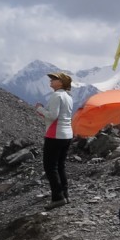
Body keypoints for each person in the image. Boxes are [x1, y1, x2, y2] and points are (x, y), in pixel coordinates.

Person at [37, 71, 74, 210]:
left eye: (54, 79)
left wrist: (40, 109)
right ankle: (65, 194)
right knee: (60, 165)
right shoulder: (68, 96)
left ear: (61, 83)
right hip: (67, 134)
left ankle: (58, 197)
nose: (51, 81)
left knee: (50, 167)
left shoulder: (56, 95)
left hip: (55, 135)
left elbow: (53, 116)